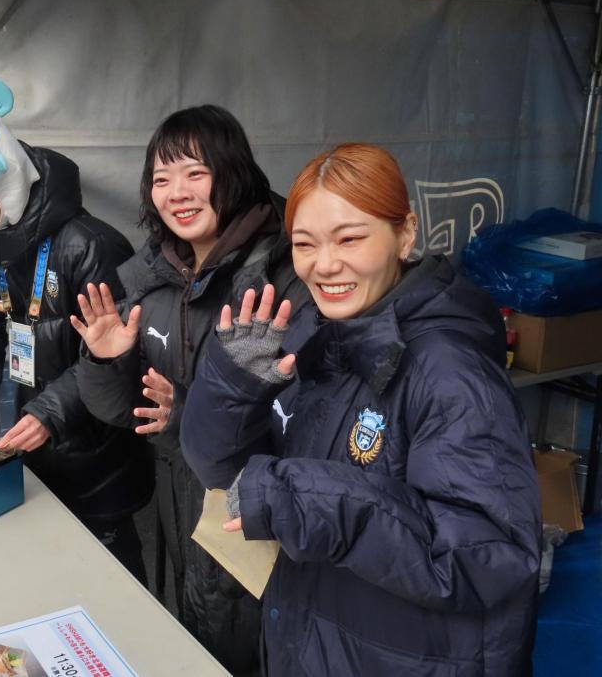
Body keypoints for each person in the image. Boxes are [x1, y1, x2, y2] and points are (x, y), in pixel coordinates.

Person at [181, 143, 541, 676]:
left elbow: (488, 552)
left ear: (406, 234)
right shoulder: (314, 334)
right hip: (315, 639)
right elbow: (228, 478)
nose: (325, 264)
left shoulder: (450, 370)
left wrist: (306, 499)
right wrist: (232, 387)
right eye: (304, 244)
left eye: (350, 238)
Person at [71, 105, 308, 674]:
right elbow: (127, 412)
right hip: (180, 506)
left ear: (234, 173)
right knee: (195, 641)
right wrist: (106, 361)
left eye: (195, 173)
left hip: (258, 521)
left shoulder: (284, 275)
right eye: (161, 178)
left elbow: (304, 419)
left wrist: (191, 414)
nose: (176, 192)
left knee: (251, 653)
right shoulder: (150, 275)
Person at [0, 78, 154, 582]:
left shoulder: (91, 245)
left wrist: (51, 412)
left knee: (112, 580)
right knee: (46, 576)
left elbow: (117, 358)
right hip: (30, 438)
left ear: (3, 176)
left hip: (98, 452)